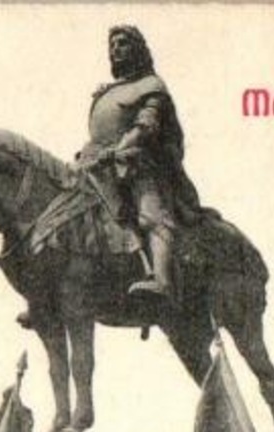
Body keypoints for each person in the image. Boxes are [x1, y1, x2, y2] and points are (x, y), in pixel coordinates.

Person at [77, 25, 202, 303]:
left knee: (152, 215)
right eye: (112, 44)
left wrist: (120, 150)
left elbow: (146, 126)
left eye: (123, 43)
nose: (115, 49)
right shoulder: (106, 92)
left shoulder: (151, 86)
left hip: (138, 165)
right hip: (97, 164)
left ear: (138, 49)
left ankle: (161, 279)